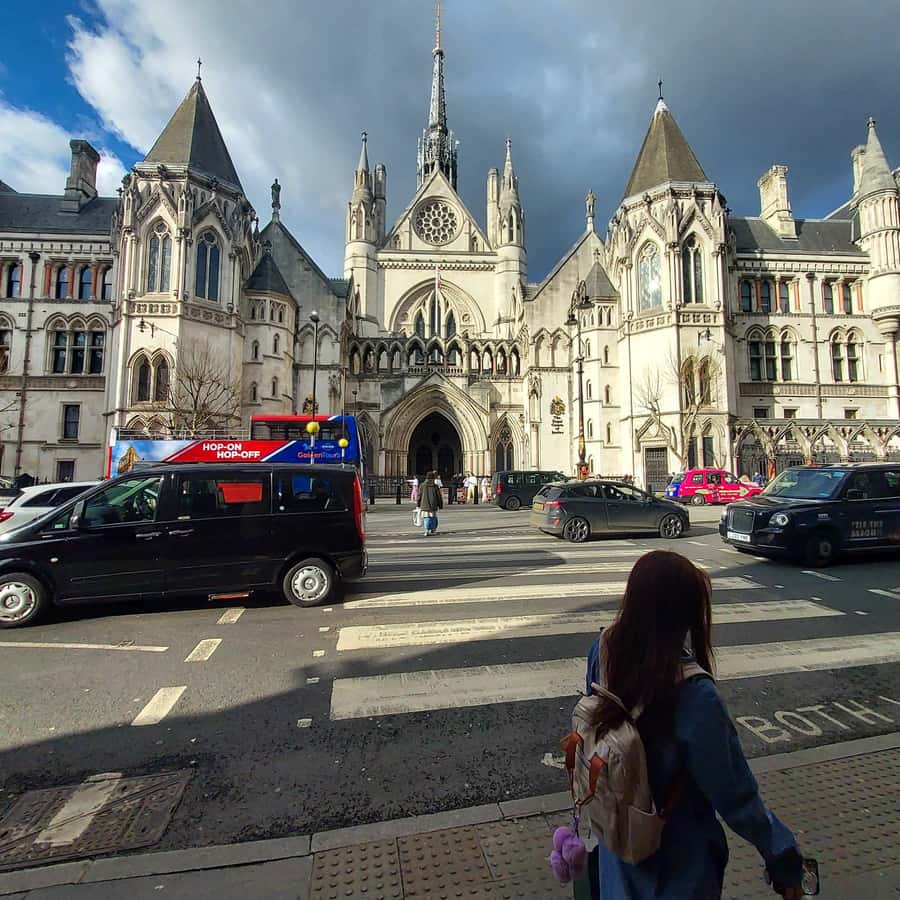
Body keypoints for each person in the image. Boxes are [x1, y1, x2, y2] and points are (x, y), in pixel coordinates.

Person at [585, 550, 803, 899]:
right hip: (677, 864)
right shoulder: (695, 695)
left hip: (619, 846)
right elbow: (734, 793)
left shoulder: (603, 650)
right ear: (683, 616)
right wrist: (781, 855)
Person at [418, 470, 443, 537]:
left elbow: (419, 495)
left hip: (424, 504)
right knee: (433, 516)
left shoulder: (422, 485)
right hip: (433, 504)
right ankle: (433, 529)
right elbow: (439, 496)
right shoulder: (435, 486)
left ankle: (427, 530)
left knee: (426, 517)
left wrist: (418, 503)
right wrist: (440, 505)